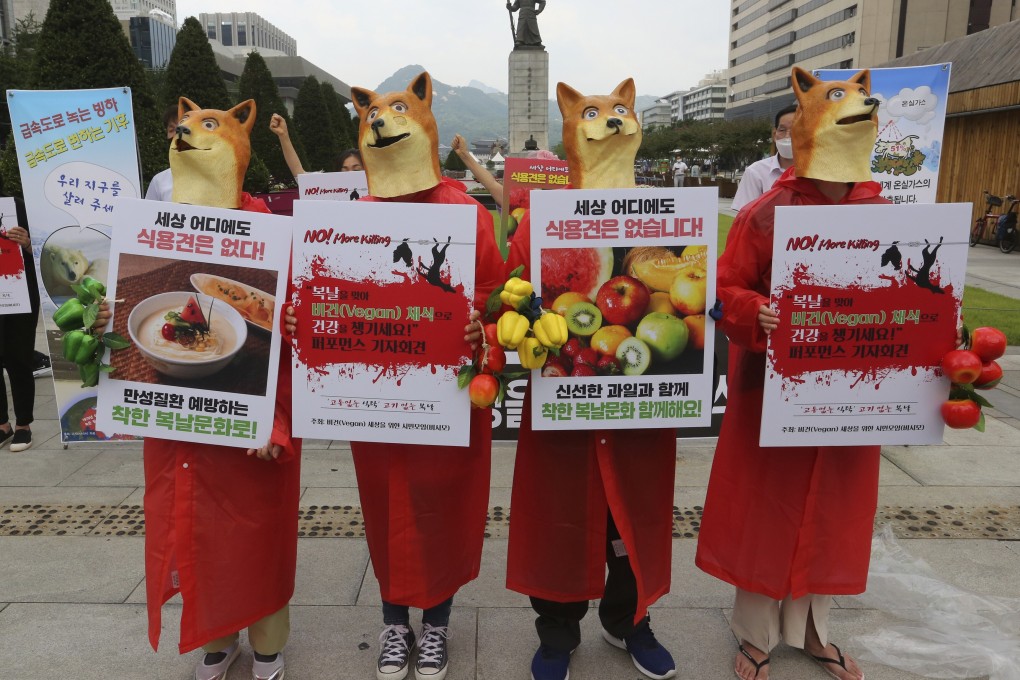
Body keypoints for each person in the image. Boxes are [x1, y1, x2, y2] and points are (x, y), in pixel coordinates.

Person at [288, 72, 503, 680]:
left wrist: (480, 329)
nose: (381, 121)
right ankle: (392, 624)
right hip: (379, 403)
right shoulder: (356, 216)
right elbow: (327, 294)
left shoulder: (467, 213)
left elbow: (495, 294)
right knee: (385, 507)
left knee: (444, 506)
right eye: (373, 114)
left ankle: (435, 626)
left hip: (447, 397)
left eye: (397, 110)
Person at [103, 98, 302, 680]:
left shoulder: (270, 228)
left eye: (204, 126)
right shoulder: (153, 227)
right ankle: (216, 639)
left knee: (254, 532)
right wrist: (99, 328)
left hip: (251, 421)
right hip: (177, 420)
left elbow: (295, 335)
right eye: (181, 129)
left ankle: (267, 645)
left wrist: (278, 417)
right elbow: (112, 310)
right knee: (193, 530)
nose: (187, 134)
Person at [695, 68, 884, 680]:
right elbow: (724, 289)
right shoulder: (767, 211)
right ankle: (754, 631)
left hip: (851, 389)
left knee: (832, 507)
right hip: (774, 389)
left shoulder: (885, 211)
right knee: (766, 504)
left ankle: (813, 628)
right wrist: (758, 311)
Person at [507, 79, 677, 680]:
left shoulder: (665, 215)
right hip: (564, 395)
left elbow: (708, 283)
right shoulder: (538, 222)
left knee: (631, 521)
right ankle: (557, 630)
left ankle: (632, 620)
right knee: (559, 519)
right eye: (594, 113)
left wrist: (713, 311)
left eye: (621, 111)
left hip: (638, 401)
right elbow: (509, 292)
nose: (610, 121)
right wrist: (517, 316)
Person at [0, 199, 38, 452]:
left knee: (19, 358)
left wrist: (27, 243)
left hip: (18, 294)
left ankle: (23, 425)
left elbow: (48, 248)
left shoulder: (16, 206)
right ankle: (3, 425)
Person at [731, 105, 797, 212]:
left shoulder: (822, 173)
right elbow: (744, 217)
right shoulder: (756, 172)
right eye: (782, 130)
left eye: (796, 129)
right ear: (775, 135)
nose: (787, 136)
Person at [268, 113, 364, 177]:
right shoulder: (328, 187)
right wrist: (283, 135)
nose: (350, 174)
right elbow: (299, 174)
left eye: (356, 170)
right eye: (344, 170)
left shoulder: (376, 190)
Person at [451, 133, 503, 207]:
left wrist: (464, 154)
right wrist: (464, 154)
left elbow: (492, 184)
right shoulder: (516, 201)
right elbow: (492, 184)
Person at [144, 105, 179, 202]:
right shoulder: (159, 181)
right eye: (172, 130)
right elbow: (147, 215)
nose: (177, 135)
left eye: (183, 128)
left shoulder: (219, 180)